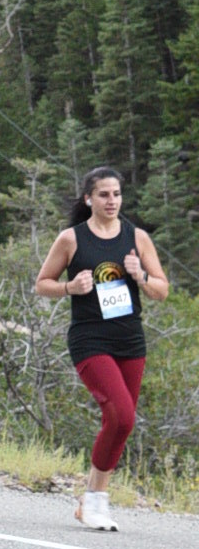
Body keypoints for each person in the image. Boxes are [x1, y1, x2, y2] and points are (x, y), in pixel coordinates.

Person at [35, 167, 169, 529]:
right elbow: (42, 283)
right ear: (88, 199)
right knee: (122, 416)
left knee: (120, 423)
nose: (112, 201)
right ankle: (97, 501)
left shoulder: (136, 237)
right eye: (104, 195)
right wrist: (69, 288)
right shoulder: (71, 239)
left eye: (117, 194)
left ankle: (90, 499)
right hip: (90, 339)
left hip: (130, 340)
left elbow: (161, 290)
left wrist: (140, 275)